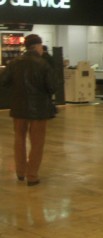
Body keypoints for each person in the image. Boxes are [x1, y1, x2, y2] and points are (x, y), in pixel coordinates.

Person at [0, 34, 56, 186]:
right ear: (37, 46)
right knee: (37, 142)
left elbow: (4, 81)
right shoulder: (43, 64)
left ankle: (20, 172)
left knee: (19, 139)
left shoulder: (14, 63)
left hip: (18, 108)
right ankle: (32, 175)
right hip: (39, 109)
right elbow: (51, 87)